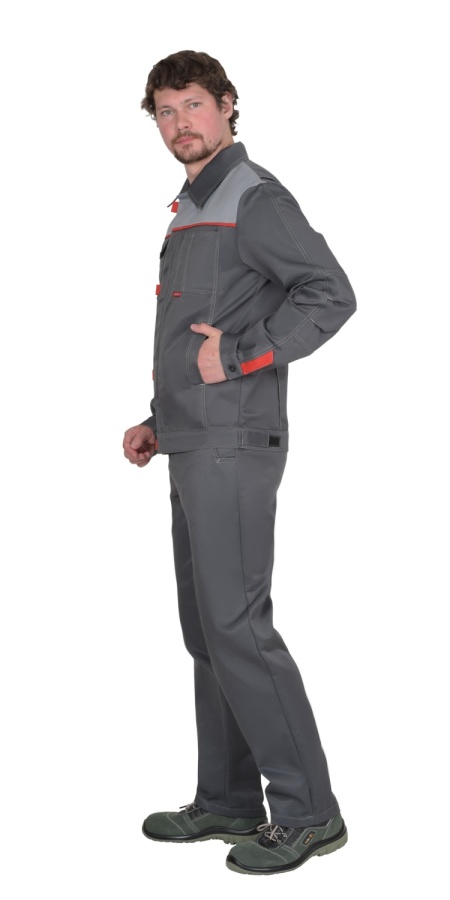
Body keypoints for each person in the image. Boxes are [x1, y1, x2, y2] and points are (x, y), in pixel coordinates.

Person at [123, 50, 356, 876]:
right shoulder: (191, 206)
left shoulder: (253, 197)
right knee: (207, 632)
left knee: (238, 628)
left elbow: (331, 294)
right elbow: (197, 331)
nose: (178, 123)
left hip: (234, 443)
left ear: (227, 105)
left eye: (192, 104)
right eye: (164, 111)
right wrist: (160, 420)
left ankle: (310, 813)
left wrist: (242, 355)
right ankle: (226, 799)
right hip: (192, 441)